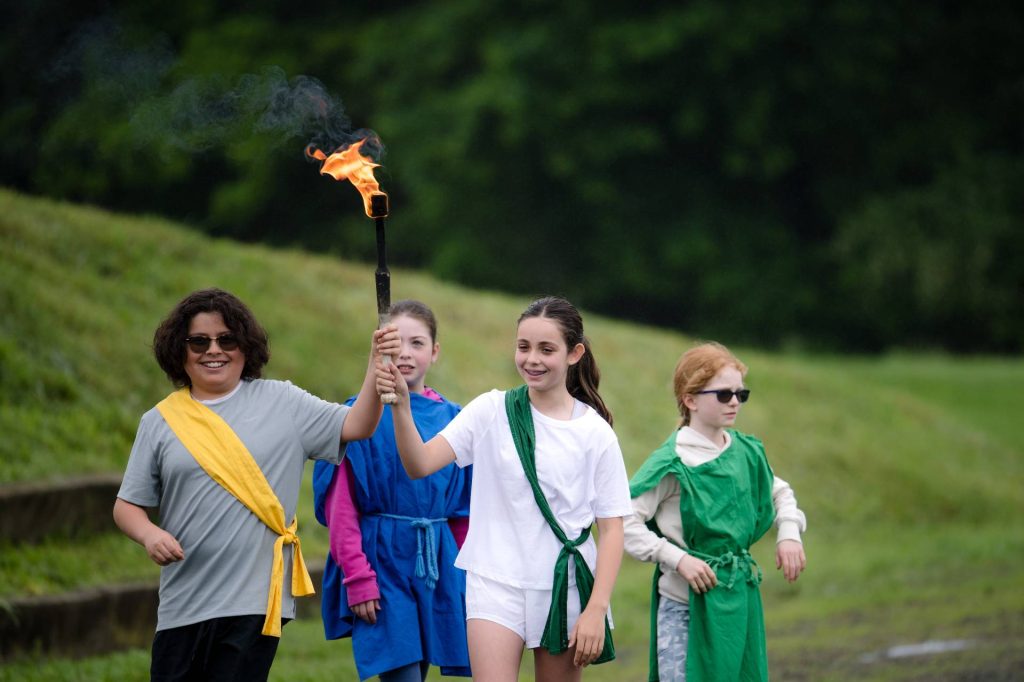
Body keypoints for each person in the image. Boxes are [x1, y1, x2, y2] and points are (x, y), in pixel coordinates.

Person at [112, 287, 399, 682]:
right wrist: (148, 534)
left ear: (245, 346)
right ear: (180, 350)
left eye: (226, 339)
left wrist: (375, 362)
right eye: (199, 341)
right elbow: (127, 505)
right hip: (182, 603)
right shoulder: (159, 421)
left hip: (254, 602)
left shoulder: (283, 402)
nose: (214, 350)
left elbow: (358, 424)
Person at [375, 295, 633, 682]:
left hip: (563, 586)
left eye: (547, 349)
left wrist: (596, 609)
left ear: (574, 353)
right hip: (494, 580)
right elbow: (420, 464)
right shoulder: (490, 411)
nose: (532, 359)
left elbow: (612, 528)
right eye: (523, 346)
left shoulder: (594, 432)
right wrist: (400, 406)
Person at [623, 341, 807, 682]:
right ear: (690, 399)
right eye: (723, 394)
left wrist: (789, 534)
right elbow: (625, 524)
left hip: (738, 600)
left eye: (740, 394)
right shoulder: (671, 463)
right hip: (684, 606)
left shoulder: (746, 452)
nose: (735, 401)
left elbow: (780, 493)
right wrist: (677, 558)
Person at [311, 300, 472, 681]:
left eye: (417, 343)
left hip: (437, 564)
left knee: (421, 670)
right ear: (379, 348)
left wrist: (468, 577)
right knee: (401, 675)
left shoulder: (456, 420)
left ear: (434, 351)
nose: (405, 353)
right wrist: (357, 576)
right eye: (395, 343)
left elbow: (463, 513)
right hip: (379, 562)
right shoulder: (356, 418)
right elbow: (342, 511)